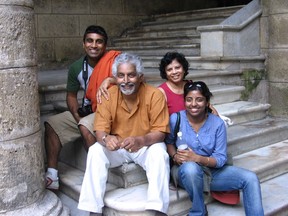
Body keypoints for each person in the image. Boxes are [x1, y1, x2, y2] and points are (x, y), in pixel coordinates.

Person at [78, 53, 170, 216]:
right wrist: (106, 138)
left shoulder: (154, 95)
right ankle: (93, 210)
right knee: (95, 151)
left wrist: (142, 140)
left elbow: (161, 132)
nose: (126, 80)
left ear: (140, 77)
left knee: (159, 152)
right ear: (115, 77)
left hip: (144, 147)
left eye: (131, 75)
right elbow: (100, 129)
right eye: (121, 76)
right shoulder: (108, 95)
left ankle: (158, 209)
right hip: (119, 148)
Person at [165, 81, 264, 216]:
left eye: (199, 100)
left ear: (207, 102)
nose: (193, 104)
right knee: (191, 168)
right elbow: (169, 143)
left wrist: (198, 158)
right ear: (185, 101)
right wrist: (175, 156)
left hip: (212, 172)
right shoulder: (176, 119)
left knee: (250, 178)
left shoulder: (217, 124)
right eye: (189, 100)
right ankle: (198, 212)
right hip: (185, 173)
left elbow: (220, 159)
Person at [44, 25, 120, 190]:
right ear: (83, 44)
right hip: (89, 110)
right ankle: (52, 174)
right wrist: (77, 116)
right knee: (52, 124)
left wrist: (111, 80)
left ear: (105, 45)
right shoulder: (77, 67)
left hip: (110, 112)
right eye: (90, 41)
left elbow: (131, 79)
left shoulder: (114, 61)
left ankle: (97, 173)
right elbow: (71, 96)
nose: (94, 45)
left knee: (86, 125)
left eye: (99, 42)